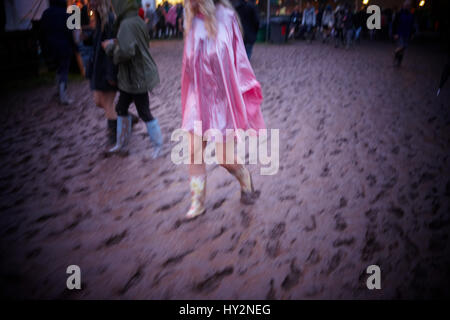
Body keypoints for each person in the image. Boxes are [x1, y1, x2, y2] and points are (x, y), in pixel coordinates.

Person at [181, 0, 265, 219]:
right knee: (194, 152)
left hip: (221, 100)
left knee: (224, 158)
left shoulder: (226, 18)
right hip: (196, 99)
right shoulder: (190, 21)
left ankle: (245, 178)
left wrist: (243, 92)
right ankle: (197, 203)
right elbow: (188, 65)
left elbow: (238, 61)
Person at [102, 0, 163, 158]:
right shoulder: (135, 20)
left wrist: (109, 48)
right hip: (131, 77)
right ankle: (120, 143)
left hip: (137, 77)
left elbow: (126, 52)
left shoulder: (127, 23)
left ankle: (158, 146)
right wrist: (117, 43)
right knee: (121, 108)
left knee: (143, 111)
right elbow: (134, 44)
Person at [41, 0, 75, 105]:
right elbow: (70, 31)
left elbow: (42, 31)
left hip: (50, 46)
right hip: (64, 45)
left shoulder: (46, 13)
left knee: (58, 69)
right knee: (63, 69)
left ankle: (58, 92)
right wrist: (73, 45)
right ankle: (63, 95)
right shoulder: (66, 13)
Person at [393, 0, 414, 67]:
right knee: (401, 46)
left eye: (409, 6)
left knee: (403, 48)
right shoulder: (399, 13)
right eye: (406, 5)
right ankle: (396, 53)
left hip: (407, 33)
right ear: (404, 6)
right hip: (399, 33)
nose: (408, 7)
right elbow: (395, 23)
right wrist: (395, 33)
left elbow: (411, 25)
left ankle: (399, 61)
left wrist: (411, 34)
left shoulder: (411, 14)